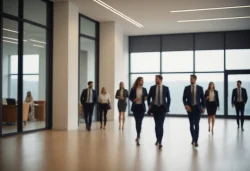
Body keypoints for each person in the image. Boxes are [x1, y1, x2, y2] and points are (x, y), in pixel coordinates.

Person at [148, 75, 171, 150]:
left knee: (160, 125)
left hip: (162, 108)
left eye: (156, 79)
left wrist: (167, 106)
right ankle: (157, 139)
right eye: (155, 79)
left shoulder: (166, 88)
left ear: (160, 80)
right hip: (154, 108)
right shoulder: (152, 88)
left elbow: (169, 98)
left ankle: (160, 141)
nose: (155, 80)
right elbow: (149, 97)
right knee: (156, 125)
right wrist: (149, 105)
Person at [183, 75, 205, 147]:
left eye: (191, 79)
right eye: (190, 78)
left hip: (197, 108)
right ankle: (193, 137)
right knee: (191, 124)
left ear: (195, 79)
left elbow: (203, 99)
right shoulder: (187, 88)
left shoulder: (200, 88)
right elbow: (184, 98)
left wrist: (203, 107)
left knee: (197, 124)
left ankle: (196, 140)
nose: (190, 80)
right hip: (190, 108)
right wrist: (186, 105)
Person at [129, 77, 147, 146]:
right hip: (135, 107)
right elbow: (130, 97)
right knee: (137, 121)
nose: (142, 82)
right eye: (141, 80)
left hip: (142, 108)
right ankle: (138, 135)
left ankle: (138, 134)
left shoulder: (144, 89)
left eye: (143, 80)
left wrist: (145, 98)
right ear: (138, 81)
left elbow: (146, 96)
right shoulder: (133, 89)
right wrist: (134, 100)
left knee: (140, 121)